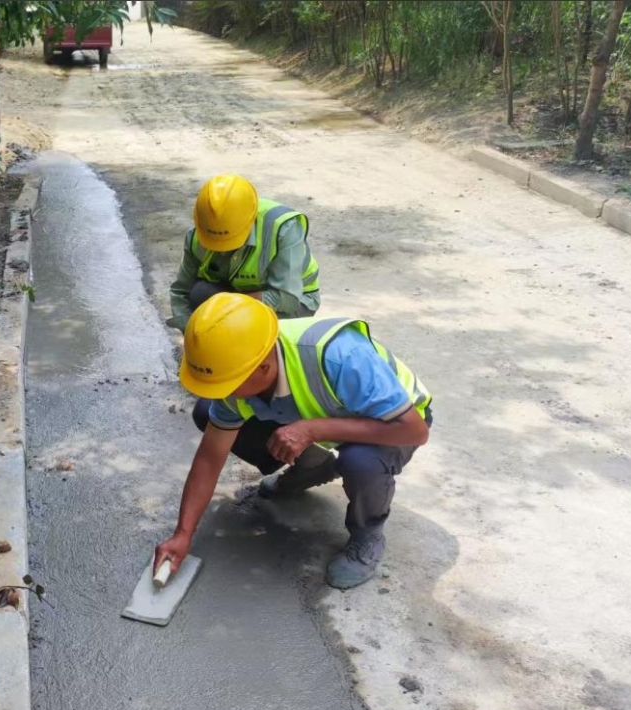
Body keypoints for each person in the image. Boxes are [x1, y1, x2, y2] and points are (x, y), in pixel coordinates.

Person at [154, 293, 433, 590]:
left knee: (360, 462)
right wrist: (183, 533)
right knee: (207, 412)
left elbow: (414, 431)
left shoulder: (340, 356)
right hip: (325, 416)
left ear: (263, 368)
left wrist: (313, 430)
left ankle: (368, 536)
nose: (223, 393)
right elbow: (211, 456)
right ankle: (313, 467)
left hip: (394, 423)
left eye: (228, 384)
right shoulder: (239, 368)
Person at [169, 174, 332, 497]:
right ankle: (303, 457)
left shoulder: (283, 227)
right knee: (201, 296)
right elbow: (181, 292)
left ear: (251, 219)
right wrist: (198, 337)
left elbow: (286, 297)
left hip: (289, 306)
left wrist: (232, 315)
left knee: (260, 378)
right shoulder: (199, 235)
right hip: (241, 298)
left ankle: (305, 448)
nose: (221, 249)